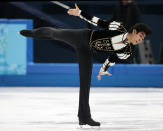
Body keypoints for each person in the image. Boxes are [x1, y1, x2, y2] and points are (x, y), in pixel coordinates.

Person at [19, 3, 152, 127]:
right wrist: (80, 13)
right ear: (134, 31)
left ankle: (84, 116)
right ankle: (33, 33)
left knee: (85, 83)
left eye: (142, 39)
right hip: (82, 36)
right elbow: (99, 22)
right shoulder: (118, 27)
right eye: (140, 36)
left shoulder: (127, 51)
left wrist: (103, 69)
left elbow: (112, 58)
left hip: (87, 51)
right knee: (55, 33)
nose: (140, 40)